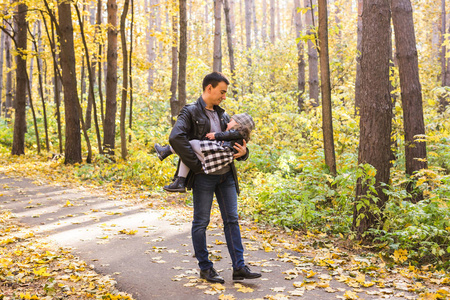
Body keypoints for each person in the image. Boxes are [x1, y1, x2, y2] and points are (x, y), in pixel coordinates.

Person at [165, 72, 261, 284]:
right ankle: (206, 268)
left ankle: (239, 267)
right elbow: (176, 138)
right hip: (204, 178)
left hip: (226, 177)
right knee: (201, 222)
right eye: (222, 92)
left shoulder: (224, 116)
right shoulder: (190, 111)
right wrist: (197, 166)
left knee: (232, 220)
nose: (224, 96)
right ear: (209, 88)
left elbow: (236, 141)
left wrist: (245, 154)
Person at [154, 112, 255, 193]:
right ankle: (180, 180)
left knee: (190, 144)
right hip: (212, 164)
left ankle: (168, 151)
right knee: (187, 152)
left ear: (238, 125)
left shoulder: (229, 124)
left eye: (231, 121)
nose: (228, 123)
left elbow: (240, 147)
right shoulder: (196, 111)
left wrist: (244, 153)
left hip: (222, 167)